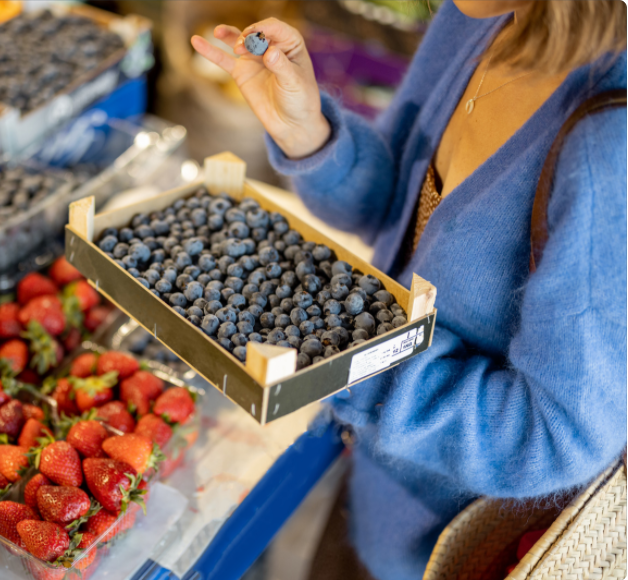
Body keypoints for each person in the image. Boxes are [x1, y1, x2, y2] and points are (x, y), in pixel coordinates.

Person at [191, 2, 627, 579]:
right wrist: (309, 133)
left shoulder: (609, 147)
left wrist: (350, 356)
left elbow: (555, 437)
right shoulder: (477, 15)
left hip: (439, 551)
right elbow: (397, 206)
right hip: (365, 474)